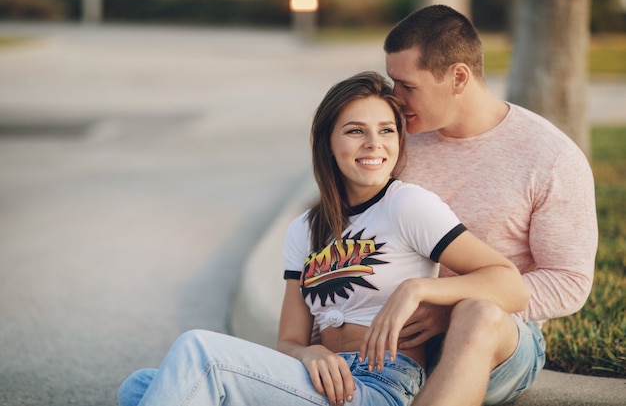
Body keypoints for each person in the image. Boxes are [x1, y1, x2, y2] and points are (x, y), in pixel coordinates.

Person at [117, 71, 530, 406]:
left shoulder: (407, 205)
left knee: (196, 354)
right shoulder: (304, 229)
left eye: (386, 131)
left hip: (376, 387)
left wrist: (416, 288)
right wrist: (309, 352)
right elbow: (290, 341)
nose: (374, 145)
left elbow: (508, 283)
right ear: (329, 143)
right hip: (318, 380)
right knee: (140, 386)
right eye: (355, 131)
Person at [382, 5, 598, 406]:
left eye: (407, 85)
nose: (395, 99)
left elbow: (569, 281)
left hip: (498, 339)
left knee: (477, 313)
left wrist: (448, 305)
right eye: (392, 83)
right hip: (395, 333)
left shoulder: (550, 156)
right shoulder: (394, 142)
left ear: (458, 77)